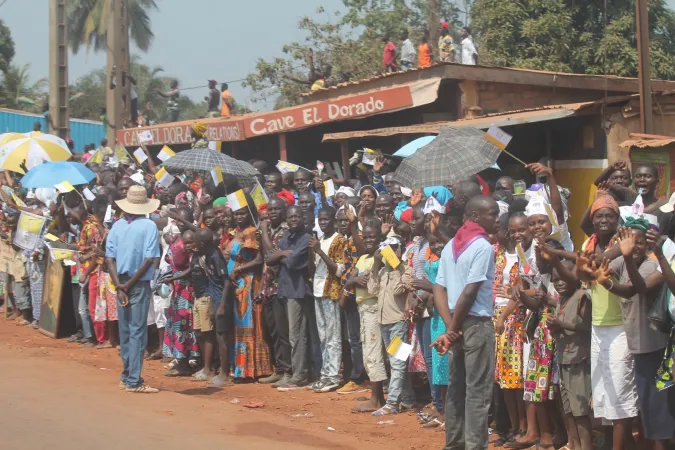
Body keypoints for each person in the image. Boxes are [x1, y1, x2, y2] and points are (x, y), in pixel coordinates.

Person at [431, 195, 499, 450]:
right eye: (491, 213)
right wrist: (453, 329)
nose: (496, 218)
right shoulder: (482, 247)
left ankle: (454, 444)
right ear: (473, 217)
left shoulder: (451, 246)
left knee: (457, 389)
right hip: (475, 325)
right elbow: (470, 292)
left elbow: (440, 289)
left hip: (456, 326)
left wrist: (450, 328)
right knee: (477, 393)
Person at [105, 185, 161, 393]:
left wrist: (119, 284)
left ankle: (127, 374)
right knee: (137, 331)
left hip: (120, 281)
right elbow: (149, 259)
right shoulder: (149, 226)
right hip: (136, 282)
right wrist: (128, 284)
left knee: (125, 330)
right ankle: (133, 380)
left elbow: (109, 257)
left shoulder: (117, 226)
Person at [547, 260, 593, 450]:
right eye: (555, 279)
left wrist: (561, 325)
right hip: (564, 359)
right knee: (569, 410)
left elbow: (589, 327)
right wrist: (554, 328)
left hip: (578, 360)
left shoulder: (582, 297)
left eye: (563, 278)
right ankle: (574, 445)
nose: (559, 283)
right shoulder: (561, 300)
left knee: (580, 412)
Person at [368, 237, 415, 416]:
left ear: (400, 250)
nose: (391, 252)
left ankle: (392, 402)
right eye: (388, 248)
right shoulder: (382, 272)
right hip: (384, 323)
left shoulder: (406, 270)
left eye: (394, 248)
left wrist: (396, 265)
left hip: (398, 323)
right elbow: (372, 290)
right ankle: (408, 398)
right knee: (397, 362)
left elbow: (398, 290)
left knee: (397, 363)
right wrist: (376, 263)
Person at [268, 206, 312, 390]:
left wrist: (281, 256)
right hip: (285, 289)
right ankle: (293, 372)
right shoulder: (287, 237)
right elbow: (269, 258)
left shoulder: (306, 238)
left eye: (297, 216)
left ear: (303, 218)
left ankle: (299, 375)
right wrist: (281, 254)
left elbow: (293, 263)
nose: (294, 219)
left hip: (298, 291)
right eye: (291, 216)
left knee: (297, 335)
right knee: (288, 334)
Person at [226, 202, 272, 380]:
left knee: (248, 325)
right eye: (236, 213)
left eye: (242, 213)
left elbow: (259, 259)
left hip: (248, 281)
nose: (238, 216)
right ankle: (241, 367)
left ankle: (250, 369)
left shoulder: (251, 231)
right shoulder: (236, 233)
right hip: (238, 284)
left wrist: (238, 269)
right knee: (239, 327)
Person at [309, 207, 347, 392]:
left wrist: (320, 252)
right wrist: (313, 252)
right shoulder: (320, 240)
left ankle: (333, 376)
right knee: (323, 337)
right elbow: (313, 269)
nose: (323, 222)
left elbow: (339, 270)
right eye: (320, 219)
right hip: (318, 290)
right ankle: (325, 374)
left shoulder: (339, 240)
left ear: (333, 220)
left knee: (333, 337)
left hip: (331, 291)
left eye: (326, 219)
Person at [186, 228, 231, 384]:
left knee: (221, 338)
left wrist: (222, 306)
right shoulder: (207, 254)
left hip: (220, 300)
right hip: (214, 298)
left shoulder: (215, 256)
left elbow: (226, 282)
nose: (195, 245)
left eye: (197, 242)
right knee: (217, 336)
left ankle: (225, 375)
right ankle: (220, 372)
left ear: (203, 243)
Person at [258, 198, 291, 385]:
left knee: (283, 331)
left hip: (281, 286)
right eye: (270, 209)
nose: (273, 212)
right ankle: (278, 368)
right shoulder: (269, 230)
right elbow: (265, 259)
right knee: (272, 331)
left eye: (277, 209)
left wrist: (263, 231)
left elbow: (271, 254)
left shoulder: (285, 230)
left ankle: (287, 370)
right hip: (268, 286)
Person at [162, 209, 199, 376]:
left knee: (183, 325)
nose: (180, 223)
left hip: (187, 289)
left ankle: (184, 362)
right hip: (178, 288)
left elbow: (191, 268)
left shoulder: (193, 241)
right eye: (178, 221)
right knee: (179, 324)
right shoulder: (179, 239)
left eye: (183, 220)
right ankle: (181, 360)